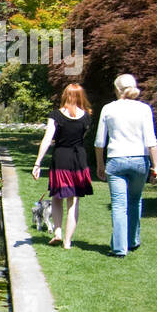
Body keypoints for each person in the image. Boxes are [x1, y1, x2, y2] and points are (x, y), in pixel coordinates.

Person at [94, 73, 157, 257]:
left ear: (116, 89)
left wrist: (100, 165)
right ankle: (133, 240)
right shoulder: (144, 109)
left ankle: (119, 248)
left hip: (116, 160)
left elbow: (100, 142)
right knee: (135, 200)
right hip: (140, 159)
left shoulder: (108, 109)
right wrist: (155, 166)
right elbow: (151, 140)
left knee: (119, 204)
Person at [32, 83, 94, 248]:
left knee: (57, 198)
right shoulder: (87, 117)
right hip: (79, 159)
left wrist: (38, 162)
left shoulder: (55, 116)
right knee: (73, 202)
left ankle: (58, 231)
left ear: (65, 96)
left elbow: (47, 139)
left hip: (61, 158)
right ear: (81, 96)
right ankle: (67, 242)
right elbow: (83, 135)